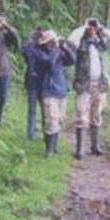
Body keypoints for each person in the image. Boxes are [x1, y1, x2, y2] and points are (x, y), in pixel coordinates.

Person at [68, 17, 110, 160]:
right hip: (84, 84)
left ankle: (95, 146)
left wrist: (101, 28)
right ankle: (79, 149)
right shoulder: (80, 42)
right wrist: (83, 27)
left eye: (93, 27)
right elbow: (71, 41)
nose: (92, 28)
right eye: (90, 27)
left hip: (100, 84)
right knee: (81, 114)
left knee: (96, 115)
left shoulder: (101, 43)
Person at [35, 30, 75, 158]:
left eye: (53, 41)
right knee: (51, 120)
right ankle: (49, 150)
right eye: (50, 42)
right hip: (48, 91)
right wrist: (56, 50)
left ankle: (54, 146)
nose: (52, 44)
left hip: (61, 91)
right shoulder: (40, 54)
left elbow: (72, 60)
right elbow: (50, 63)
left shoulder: (58, 52)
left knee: (59, 120)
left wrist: (64, 48)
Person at [21, 28, 43, 140]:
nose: (39, 38)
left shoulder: (47, 48)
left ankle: (47, 134)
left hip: (45, 83)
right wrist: (30, 37)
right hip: (32, 83)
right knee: (32, 111)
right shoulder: (30, 49)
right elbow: (23, 50)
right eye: (37, 36)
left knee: (46, 111)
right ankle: (30, 135)